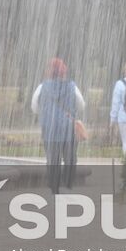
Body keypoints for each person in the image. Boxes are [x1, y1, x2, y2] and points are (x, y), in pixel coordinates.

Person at [32, 58, 84, 194]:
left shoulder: (42, 87)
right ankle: (68, 184)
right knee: (70, 157)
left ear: (50, 71)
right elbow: (81, 105)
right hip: (68, 129)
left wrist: (45, 112)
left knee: (52, 159)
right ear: (63, 71)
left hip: (50, 129)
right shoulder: (72, 86)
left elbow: (34, 107)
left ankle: (54, 187)